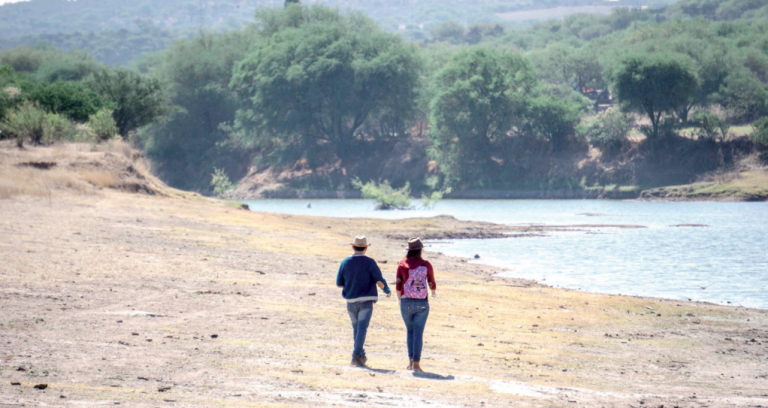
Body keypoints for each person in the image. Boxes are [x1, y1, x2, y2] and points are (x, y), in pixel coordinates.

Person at [336, 236, 392, 367]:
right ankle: (356, 356)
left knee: (357, 328)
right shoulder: (370, 262)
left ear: (353, 247)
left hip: (350, 301)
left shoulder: (345, 262)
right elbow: (379, 280)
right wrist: (387, 290)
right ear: (366, 248)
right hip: (366, 300)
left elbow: (339, 284)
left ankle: (361, 356)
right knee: (362, 328)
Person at [396, 238, 436, 372]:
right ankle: (417, 365)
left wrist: (400, 300)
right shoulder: (426, 264)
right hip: (421, 302)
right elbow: (431, 282)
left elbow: (398, 283)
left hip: (405, 300)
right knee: (418, 333)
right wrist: (433, 293)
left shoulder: (402, 264)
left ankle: (410, 362)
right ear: (420, 250)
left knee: (410, 331)